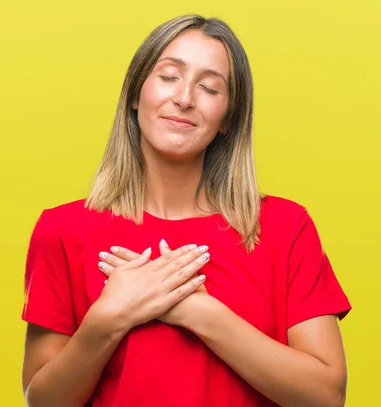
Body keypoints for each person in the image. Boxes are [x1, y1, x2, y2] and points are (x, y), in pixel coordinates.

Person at [20, 14, 351, 407]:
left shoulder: (285, 227)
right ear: (134, 94)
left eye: (210, 87)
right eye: (168, 76)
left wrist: (197, 311)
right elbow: (44, 401)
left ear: (228, 117)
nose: (185, 98)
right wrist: (108, 318)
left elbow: (326, 396)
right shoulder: (64, 229)